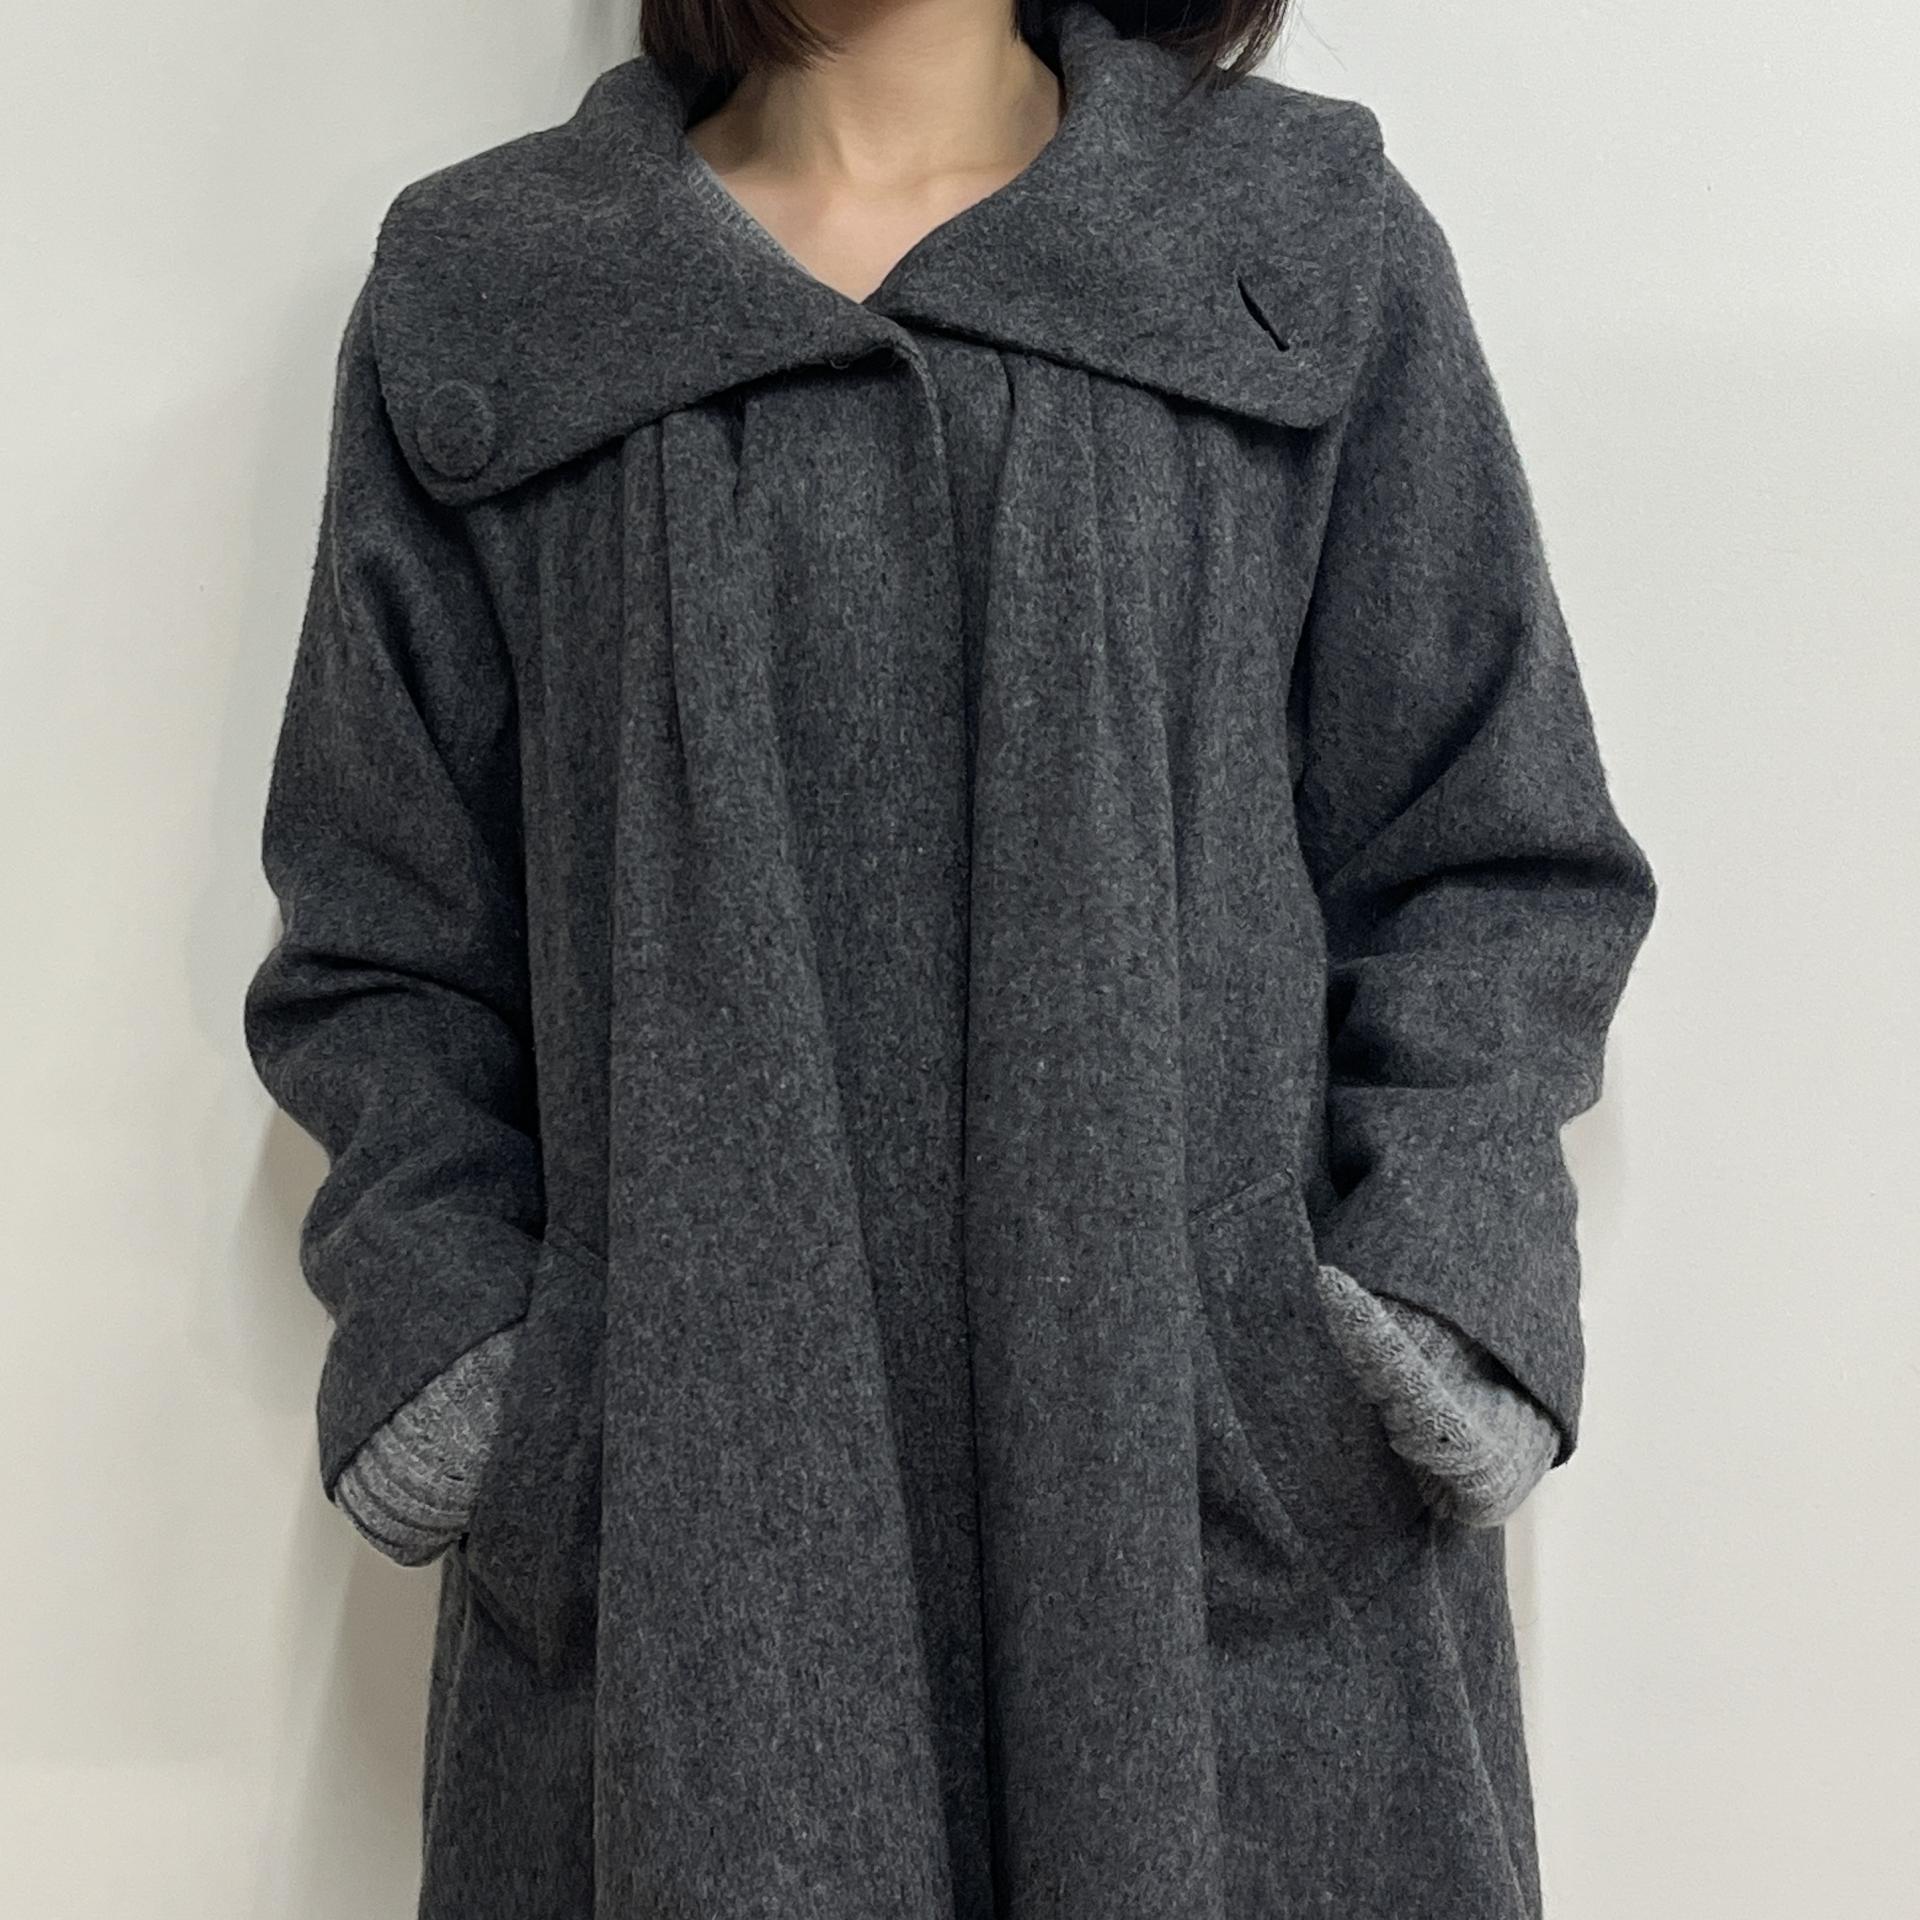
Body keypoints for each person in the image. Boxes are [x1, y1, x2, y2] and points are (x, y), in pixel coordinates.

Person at [242, 1, 1658, 1913]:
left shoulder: (1294, 236)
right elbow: (384, 941)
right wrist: (501, 1383)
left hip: (1218, 1556)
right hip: (686, 1564)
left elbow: (1493, 846)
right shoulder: (503, 287)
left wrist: (1407, 1313)